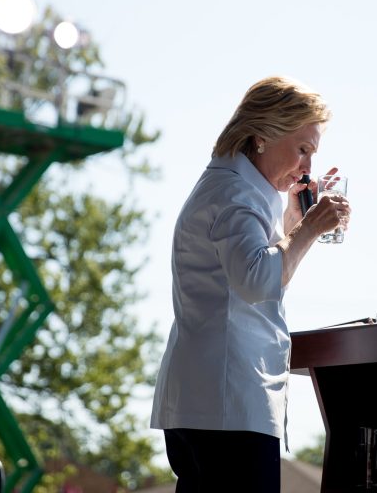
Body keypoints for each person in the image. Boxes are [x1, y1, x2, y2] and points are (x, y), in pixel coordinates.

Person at [150, 76, 352, 492]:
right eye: (303, 149)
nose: (307, 168)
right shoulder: (237, 194)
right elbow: (259, 282)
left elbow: (250, 280)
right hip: (228, 405)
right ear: (263, 136)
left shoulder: (230, 187)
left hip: (206, 402)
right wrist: (309, 228)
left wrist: (294, 224)